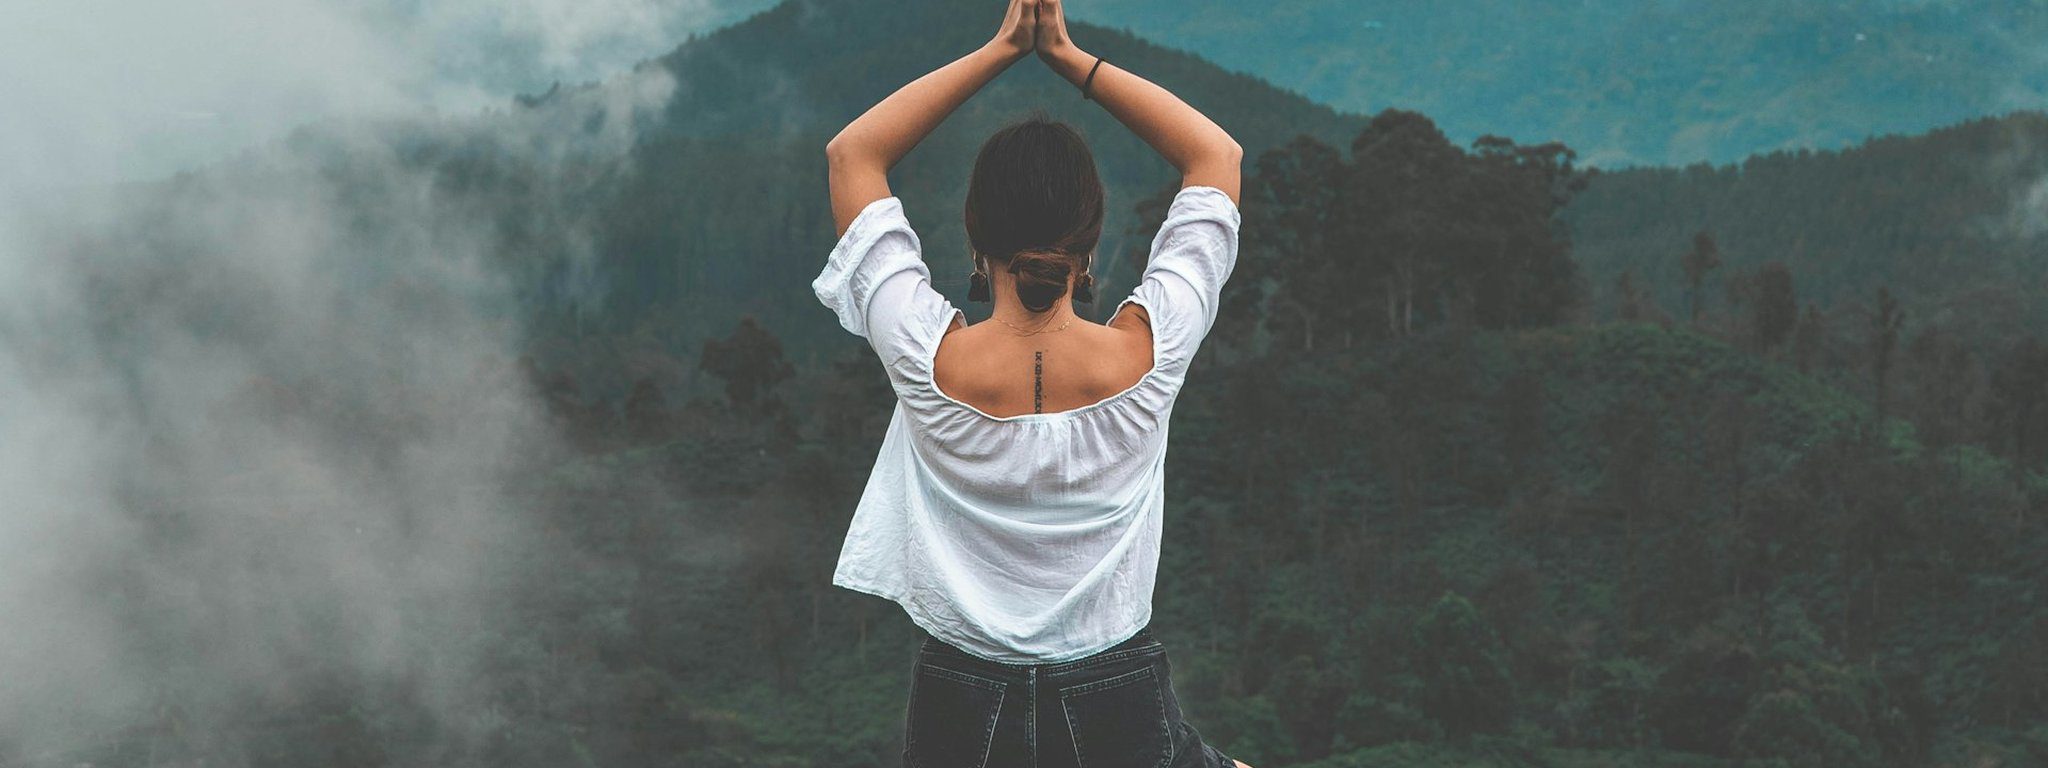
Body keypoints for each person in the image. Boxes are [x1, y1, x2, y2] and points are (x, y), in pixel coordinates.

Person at [812, 0, 1249, 765]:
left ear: (977, 243)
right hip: (1120, 703)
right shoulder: (1152, 351)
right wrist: (1068, 56)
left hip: (958, 711)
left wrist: (1005, 47)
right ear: (1090, 247)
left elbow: (854, 155)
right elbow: (1216, 156)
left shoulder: (926, 355)